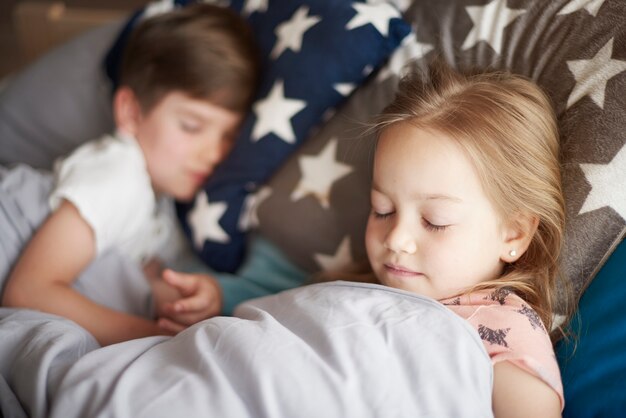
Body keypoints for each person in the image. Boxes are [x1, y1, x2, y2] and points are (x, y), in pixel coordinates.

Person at [1, 3, 260, 346]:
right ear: (131, 113)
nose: (214, 153)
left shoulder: (161, 204)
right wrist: (155, 341)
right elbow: (28, 291)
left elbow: (133, 277)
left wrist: (195, 296)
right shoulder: (119, 175)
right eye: (192, 126)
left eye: (228, 137)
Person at [353, 62, 570, 416]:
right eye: (382, 209)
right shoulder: (359, 288)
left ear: (513, 233)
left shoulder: (503, 325)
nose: (396, 239)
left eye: (435, 222)